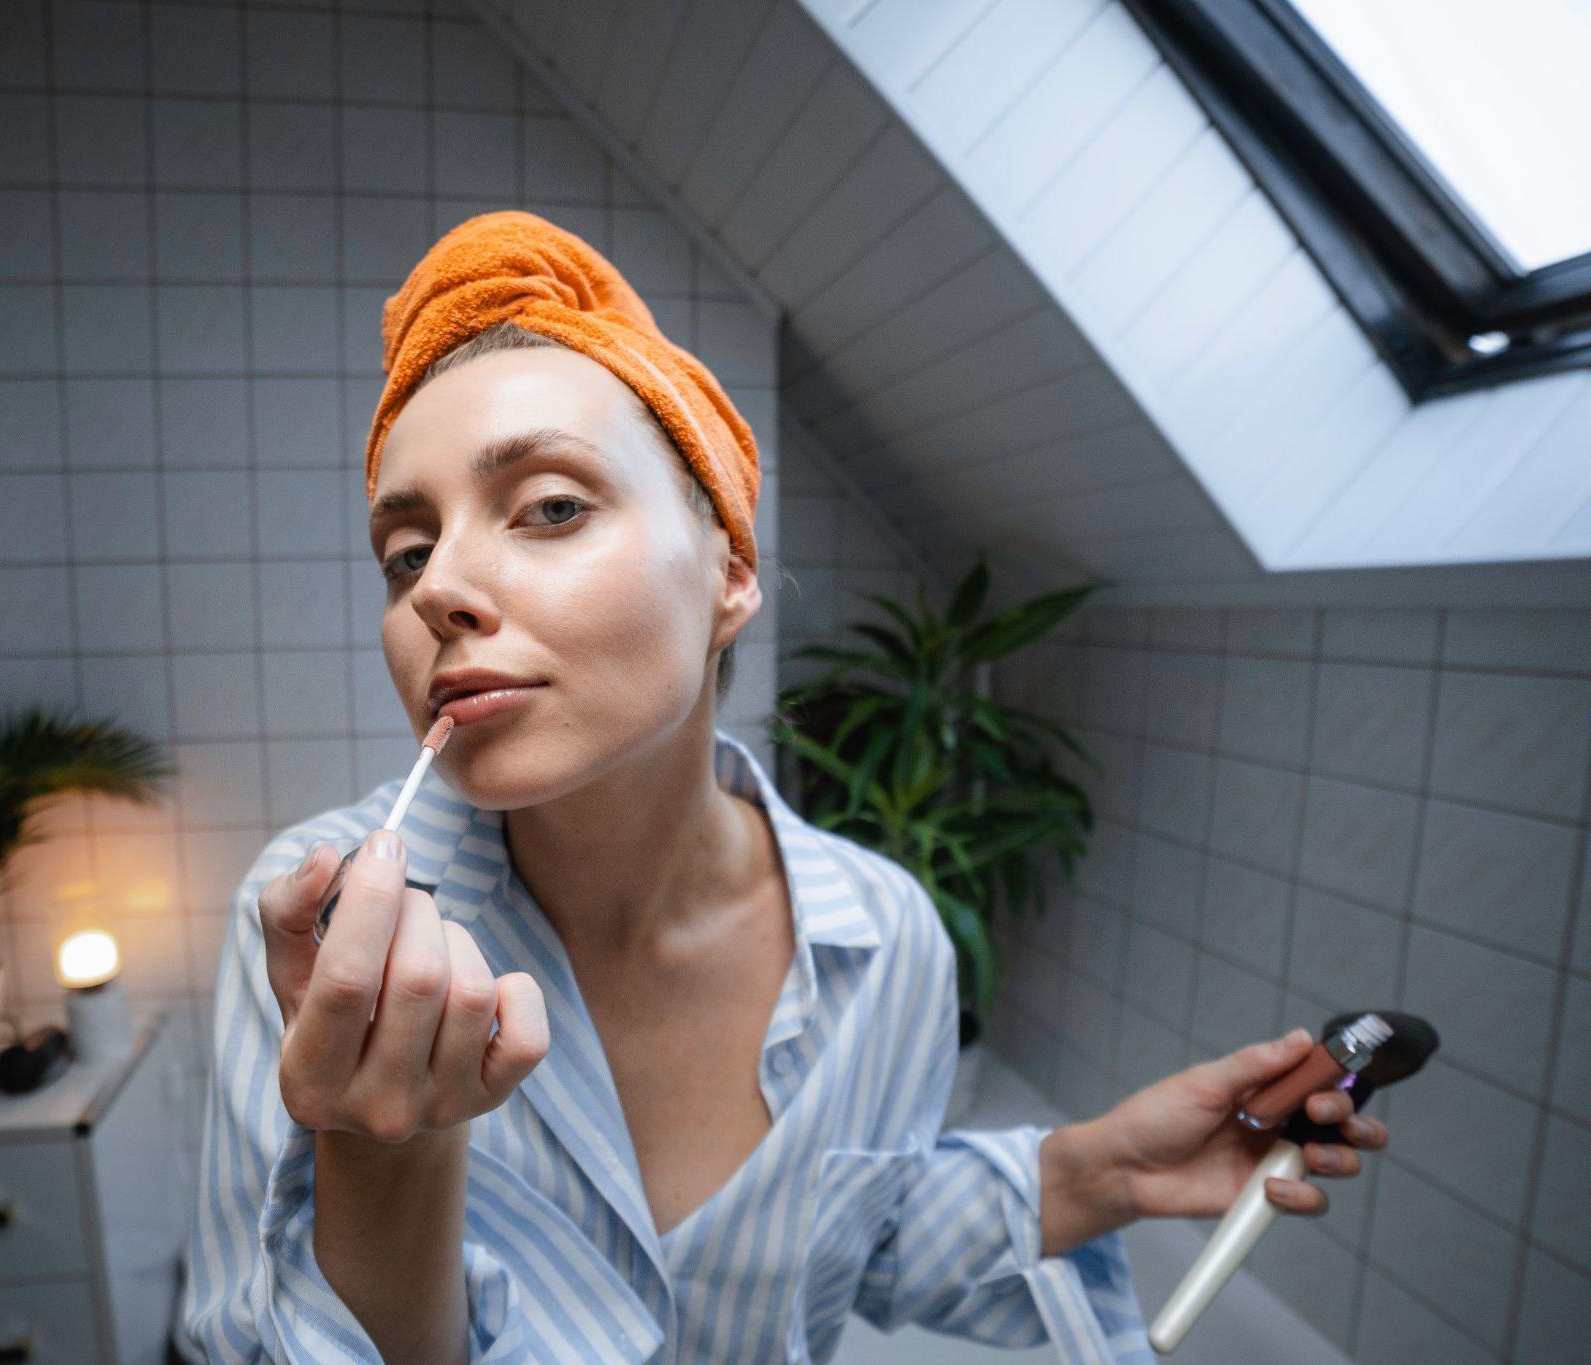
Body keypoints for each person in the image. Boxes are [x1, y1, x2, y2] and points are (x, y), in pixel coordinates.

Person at [175, 211, 1389, 1364]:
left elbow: (849, 1239)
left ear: (728, 572)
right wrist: (382, 1159)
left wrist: (1098, 1173)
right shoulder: (320, 940)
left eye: (548, 506)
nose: (438, 587)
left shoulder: (884, 940)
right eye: (405, 552)